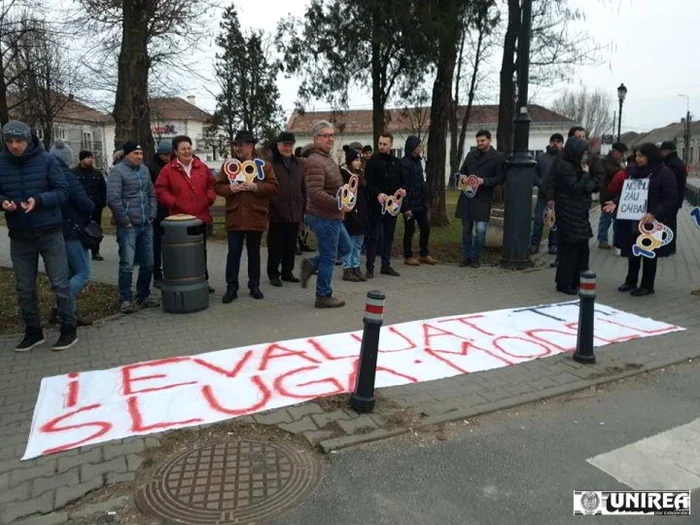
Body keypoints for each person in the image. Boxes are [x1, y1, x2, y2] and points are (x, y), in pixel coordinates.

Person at [0, 120, 75, 351]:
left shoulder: (47, 161)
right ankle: (33, 331)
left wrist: (39, 200)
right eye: (10, 141)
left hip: (49, 231)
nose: (15, 146)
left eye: (19, 141)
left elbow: (63, 191)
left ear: (29, 140)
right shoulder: (1, 163)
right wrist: (3, 202)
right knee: (24, 286)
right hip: (20, 234)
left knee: (60, 283)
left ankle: (68, 329)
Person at [214, 130, 278, 303]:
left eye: (241, 145)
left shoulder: (263, 166)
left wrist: (255, 187)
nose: (237, 148)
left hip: (255, 215)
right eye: (236, 145)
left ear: (251, 146)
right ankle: (231, 288)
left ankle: (254, 286)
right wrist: (229, 189)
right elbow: (218, 186)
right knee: (233, 253)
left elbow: (273, 187)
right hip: (235, 215)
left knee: (254, 254)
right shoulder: (229, 165)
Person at [607, 143, 677, 297]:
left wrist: (654, 213)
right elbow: (628, 192)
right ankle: (631, 281)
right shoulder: (634, 172)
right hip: (633, 219)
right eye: (636, 155)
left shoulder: (664, 173)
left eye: (640, 156)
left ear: (650, 156)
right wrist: (617, 201)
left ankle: (647, 285)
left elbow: (671, 198)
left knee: (648, 252)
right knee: (633, 251)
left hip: (652, 221)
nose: (637, 159)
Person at [299, 120, 353, 308]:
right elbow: (315, 193)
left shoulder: (326, 157)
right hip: (323, 216)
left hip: (332, 215)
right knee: (330, 257)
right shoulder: (315, 161)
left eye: (332, 135)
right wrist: (340, 204)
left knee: (345, 248)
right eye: (326, 135)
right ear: (316, 139)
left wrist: (344, 195)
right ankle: (323, 295)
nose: (330, 138)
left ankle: (312, 264)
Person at [155, 135, 217, 293]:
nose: (187, 151)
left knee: (201, 251)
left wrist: (209, 198)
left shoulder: (201, 167)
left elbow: (212, 185)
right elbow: (161, 190)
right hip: (179, 221)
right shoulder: (168, 170)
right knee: (182, 253)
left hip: (200, 217)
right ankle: (185, 282)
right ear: (175, 151)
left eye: (189, 148)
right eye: (183, 148)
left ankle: (203, 280)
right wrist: (174, 202)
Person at [106, 141, 158, 313]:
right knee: (127, 264)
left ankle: (143, 295)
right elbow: (113, 199)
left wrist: (152, 214)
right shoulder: (117, 172)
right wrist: (125, 220)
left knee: (148, 263)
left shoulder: (144, 170)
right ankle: (125, 298)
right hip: (128, 226)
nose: (139, 157)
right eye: (136, 154)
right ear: (127, 155)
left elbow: (151, 193)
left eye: (141, 153)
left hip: (146, 224)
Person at [50, 141, 94, 327]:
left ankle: (71, 313)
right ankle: (61, 307)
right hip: (72, 230)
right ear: (67, 159)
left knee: (70, 273)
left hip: (55, 230)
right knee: (83, 273)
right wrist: (91, 206)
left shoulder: (46, 176)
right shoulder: (67, 176)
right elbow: (84, 204)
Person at [551, 137, 601, 295]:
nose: (585, 155)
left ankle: (578, 280)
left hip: (578, 212)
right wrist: (586, 176)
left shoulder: (575, 165)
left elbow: (588, 185)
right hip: (568, 212)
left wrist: (588, 181)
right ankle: (565, 283)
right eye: (583, 152)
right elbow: (576, 188)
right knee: (569, 250)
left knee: (581, 249)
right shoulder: (564, 166)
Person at [456, 129, 505, 268]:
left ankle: (476, 257)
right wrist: (463, 177)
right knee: (466, 229)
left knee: (481, 230)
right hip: (467, 197)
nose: (479, 143)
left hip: (483, 198)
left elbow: (500, 178)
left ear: (490, 140)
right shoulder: (471, 155)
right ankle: (466, 256)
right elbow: (462, 171)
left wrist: (484, 181)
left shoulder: (498, 157)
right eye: (478, 141)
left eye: (482, 141)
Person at [268, 131, 306, 287]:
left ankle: (287, 272)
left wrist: (303, 205)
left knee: (291, 245)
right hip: (276, 211)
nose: (287, 148)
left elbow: (303, 186)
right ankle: (273, 274)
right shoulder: (270, 163)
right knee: (275, 246)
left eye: (290, 145)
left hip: (294, 210)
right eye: (284, 144)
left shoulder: (299, 163)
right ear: (278, 145)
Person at [364, 133, 405, 278]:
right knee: (374, 235)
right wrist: (377, 194)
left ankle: (386, 265)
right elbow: (367, 183)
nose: (381, 146)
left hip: (392, 206)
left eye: (384, 144)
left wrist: (402, 192)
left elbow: (402, 182)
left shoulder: (396, 162)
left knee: (389, 235)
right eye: (380, 143)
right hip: (376, 205)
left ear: (391, 145)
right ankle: (370, 266)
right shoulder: (373, 161)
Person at [401, 135, 437, 266]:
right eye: (418, 146)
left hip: (420, 202)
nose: (420, 148)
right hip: (409, 203)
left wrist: (425, 194)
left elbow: (421, 180)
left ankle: (424, 253)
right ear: (412, 148)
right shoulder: (404, 163)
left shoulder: (418, 161)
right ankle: (408, 255)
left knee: (425, 227)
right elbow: (403, 185)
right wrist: (405, 207)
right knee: (409, 230)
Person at [340, 145, 370, 282]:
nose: (358, 162)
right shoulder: (346, 176)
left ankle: (356, 266)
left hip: (362, 211)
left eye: (359, 160)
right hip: (351, 213)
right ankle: (347, 268)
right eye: (356, 160)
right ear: (350, 162)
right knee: (350, 242)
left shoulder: (360, 175)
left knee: (358, 243)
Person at [531, 133, 563, 255]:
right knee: (538, 220)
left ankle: (553, 244)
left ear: (562, 144)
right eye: (553, 141)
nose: (555, 143)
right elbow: (535, 174)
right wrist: (541, 183)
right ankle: (534, 244)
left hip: (557, 197)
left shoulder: (563, 158)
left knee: (554, 222)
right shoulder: (541, 157)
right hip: (542, 195)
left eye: (558, 141)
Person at [146, 139, 173, 285]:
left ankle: (171, 271)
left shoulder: (172, 165)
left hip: (171, 210)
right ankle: (157, 273)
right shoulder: (151, 167)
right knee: (157, 244)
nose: (168, 158)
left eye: (170, 154)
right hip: (158, 210)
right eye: (165, 155)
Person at [73, 150, 107, 261]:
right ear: (82, 159)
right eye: (88, 157)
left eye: (91, 157)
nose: (90, 160)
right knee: (80, 228)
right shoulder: (74, 173)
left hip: (96, 206)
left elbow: (103, 188)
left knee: (95, 229)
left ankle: (95, 251)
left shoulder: (97, 173)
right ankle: (81, 251)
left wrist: (102, 202)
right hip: (80, 207)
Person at [597, 142, 627, 249]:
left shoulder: (620, 162)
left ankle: (617, 241)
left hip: (618, 195)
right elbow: (609, 171)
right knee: (605, 219)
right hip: (607, 194)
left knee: (617, 220)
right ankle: (602, 240)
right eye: (620, 153)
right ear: (614, 152)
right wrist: (622, 170)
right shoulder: (604, 161)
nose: (622, 155)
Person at [659, 141, 687, 256]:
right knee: (670, 222)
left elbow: (667, 183)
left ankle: (667, 247)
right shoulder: (676, 162)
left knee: (667, 223)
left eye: (662, 151)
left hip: (670, 199)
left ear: (666, 151)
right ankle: (670, 246)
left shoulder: (671, 164)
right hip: (676, 198)